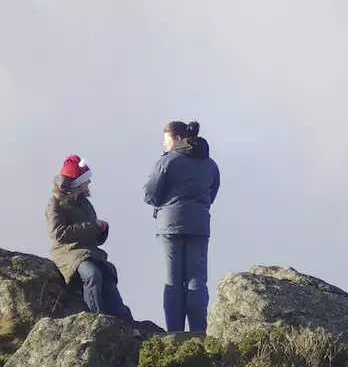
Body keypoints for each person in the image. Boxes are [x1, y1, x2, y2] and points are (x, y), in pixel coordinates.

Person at [143, 120, 220, 333]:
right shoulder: (210, 164)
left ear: (177, 139)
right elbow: (211, 193)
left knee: (173, 280)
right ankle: (198, 332)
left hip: (170, 225)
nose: (164, 145)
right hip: (199, 225)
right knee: (197, 280)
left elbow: (150, 194)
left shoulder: (168, 161)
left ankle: (174, 334)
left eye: (166, 140)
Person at [46, 155, 132, 321]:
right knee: (92, 275)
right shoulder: (55, 204)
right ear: (77, 183)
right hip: (67, 252)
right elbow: (58, 233)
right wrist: (93, 226)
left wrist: (101, 231)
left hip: (88, 251)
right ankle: (95, 319)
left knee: (107, 279)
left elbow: (90, 235)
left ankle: (126, 323)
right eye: (86, 180)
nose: (89, 183)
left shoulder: (84, 203)